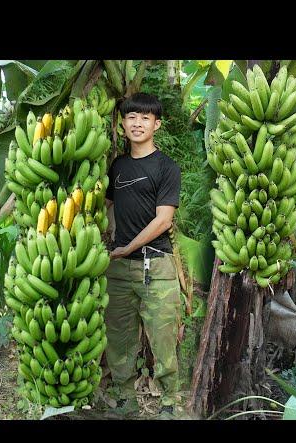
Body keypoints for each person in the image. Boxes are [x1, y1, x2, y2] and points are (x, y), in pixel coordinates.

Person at [104, 92, 182, 412]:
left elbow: (163, 220)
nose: (137, 123)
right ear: (122, 124)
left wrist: (127, 247)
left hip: (156, 265)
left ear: (156, 124)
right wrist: (109, 239)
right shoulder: (118, 165)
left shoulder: (166, 167)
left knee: (162, 338)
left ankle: (169, 401)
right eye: (131, 117)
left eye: (145, 118)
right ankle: (124, 399)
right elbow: (109, 205)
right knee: (119, 338)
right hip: (119, 269)